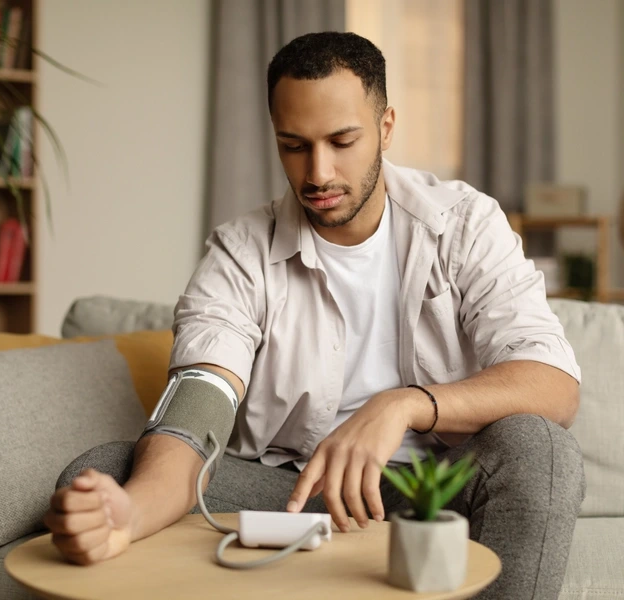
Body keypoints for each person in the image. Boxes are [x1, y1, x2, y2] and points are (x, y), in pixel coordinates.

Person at [44, 32, 585, 599]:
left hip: (435, 489)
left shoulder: (466, 224)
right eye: (293, 145)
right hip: (292, 494)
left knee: (539, 449)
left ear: (386, 127)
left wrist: (405, 405)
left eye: (342, 140)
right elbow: (198, 406)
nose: (318, 173)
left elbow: (554, 386)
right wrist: (125, 514)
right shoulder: (239, 253)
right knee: (106, 471)